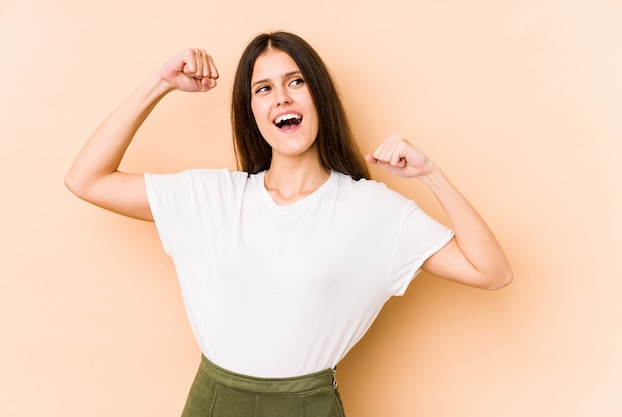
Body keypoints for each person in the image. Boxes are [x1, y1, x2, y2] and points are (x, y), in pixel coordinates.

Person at [65, 31, 512, 417]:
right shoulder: (210, 198)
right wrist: (159, 83)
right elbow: (86, 179)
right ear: (252, 111)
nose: (281, 97)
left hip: (307, 407)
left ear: (319, 97)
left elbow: (492, 272)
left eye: (296, 81)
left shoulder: (371, 210)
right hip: (214, 403)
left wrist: (431, 173)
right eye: (263, 88)